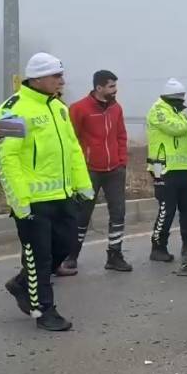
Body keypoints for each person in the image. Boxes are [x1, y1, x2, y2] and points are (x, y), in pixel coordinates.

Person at [0, 53, 94, 331]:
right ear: (38, 78)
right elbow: (7, 158)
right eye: (56, 76)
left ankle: (21, 284)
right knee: (39, 258)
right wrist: (20, 201)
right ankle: (44, 312)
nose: (62, 81)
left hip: (62, 196)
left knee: (64, 247)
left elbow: (73, 149)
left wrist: (83, 185)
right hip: (33, 202)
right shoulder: (14, 109)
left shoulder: (59, 108)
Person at [67, 70, 132, 273]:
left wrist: (122, 161)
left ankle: (114, 255)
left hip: (114, 170)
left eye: (115, 85)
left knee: (118, 213)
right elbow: (71, 140)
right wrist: (78, 166)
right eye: (111, 86)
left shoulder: (116, 108)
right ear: (99, 88)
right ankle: (71, 255)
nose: (115, 90)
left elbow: (121, 135)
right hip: (89, 171)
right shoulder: (79, 108)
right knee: (82, 215)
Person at [146, 79, 187, 263]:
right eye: (178, 97)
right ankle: (158, 246)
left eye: (182, 97)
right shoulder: (158, 110)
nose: (181, 100)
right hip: (163, 169)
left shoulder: (181, 115)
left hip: (183, 168)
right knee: (166, 209)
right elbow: (175, 129)